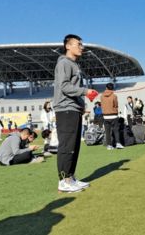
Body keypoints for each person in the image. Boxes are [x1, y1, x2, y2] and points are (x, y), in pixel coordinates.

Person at [53, 34, 96, 193]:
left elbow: (73, 89)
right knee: (67, 145)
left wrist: (81, 104)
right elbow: (64, 86)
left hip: (74, 108)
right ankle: (63, 181)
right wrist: (85, 91)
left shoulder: (74, 65)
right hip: (65, 109)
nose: (81, 47)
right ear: (68, 46)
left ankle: (70, 178)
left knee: (75, 146)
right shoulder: (64, 63)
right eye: (78, 44)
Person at [101, 83, 124, 150]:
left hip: (105, 116)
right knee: (116, 130)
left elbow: (102, 105)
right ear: (112, 88)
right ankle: (118, 143)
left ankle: (109, 145)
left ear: (106, 88)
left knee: (107, 132)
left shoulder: (102, 96)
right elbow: (116, 105)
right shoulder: (114, 96)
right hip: (113, 115)